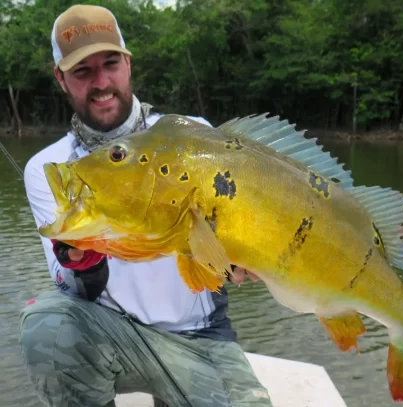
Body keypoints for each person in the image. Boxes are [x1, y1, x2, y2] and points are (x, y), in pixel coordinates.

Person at [19, 4, 271, 407]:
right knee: (47, 326)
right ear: (61, 79)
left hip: (202, 337)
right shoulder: (51, 170)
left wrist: (245, 259)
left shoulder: (195, 136)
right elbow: (72, 289)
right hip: (114, 337)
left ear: (128, 64)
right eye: (82, 71)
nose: (102, 82)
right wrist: (81, 260)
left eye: (110, 63)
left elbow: (231, 251)